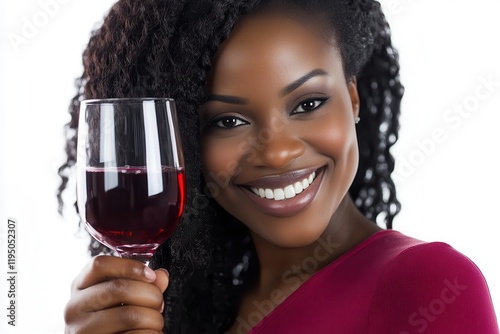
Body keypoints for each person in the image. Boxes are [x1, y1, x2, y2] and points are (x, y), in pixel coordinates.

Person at [60, 0, 499, 333]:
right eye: (228, 121)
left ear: (353, 98)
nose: (277, 152)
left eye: (308, 103)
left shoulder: (429, 283)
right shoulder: (194, 305)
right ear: (185, 146)